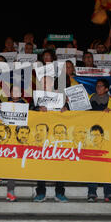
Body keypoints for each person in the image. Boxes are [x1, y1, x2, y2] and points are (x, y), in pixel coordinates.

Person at [33, 75, 69, 203]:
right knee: (41, 166)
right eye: (42, 83)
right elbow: (30, 111)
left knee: (59, 165)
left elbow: (70, 114)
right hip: (42, 138)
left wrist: (66, 109)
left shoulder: (61, 97)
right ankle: (40, 193)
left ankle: (59, 193)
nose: (44, 85)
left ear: (52, 84)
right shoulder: (37, 98)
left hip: (58, 138)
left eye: (47, 82)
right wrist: (38, 109)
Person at [86, 78, 111, 203]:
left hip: (108, 138)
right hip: (91, 137)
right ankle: (92, 192)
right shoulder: (90, 97)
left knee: (108, 165)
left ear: (107, 89)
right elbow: (80, 111)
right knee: (92, 165)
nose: (98, 88)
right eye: (97, 86)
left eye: (101, 86)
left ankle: (109, 192)